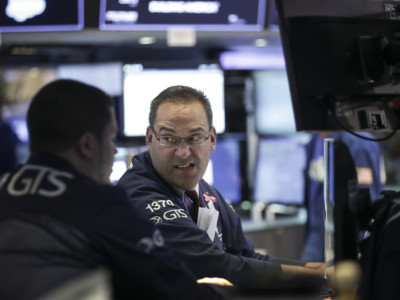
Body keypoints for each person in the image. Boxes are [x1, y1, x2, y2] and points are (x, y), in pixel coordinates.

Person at [0, 79, 226, 300]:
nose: (114, 149)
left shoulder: (5, 188)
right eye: (110, 138)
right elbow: (174, 286)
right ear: (88, 145)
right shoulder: (97, 204)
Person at [118, 85, 326, 289]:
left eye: (195, 138)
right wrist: (317, 276)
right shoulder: (139, 194)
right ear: (149, 138)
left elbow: (245, 256)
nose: (182, 152)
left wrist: (315, 269)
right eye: (169, 138)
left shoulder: (205, 192)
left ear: (212, 139)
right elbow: (211, 265)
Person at [301, 132, 385, 263]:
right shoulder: (314, 140)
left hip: (345, 241)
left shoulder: (357, 142)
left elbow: (365, 207)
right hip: (317, 236)